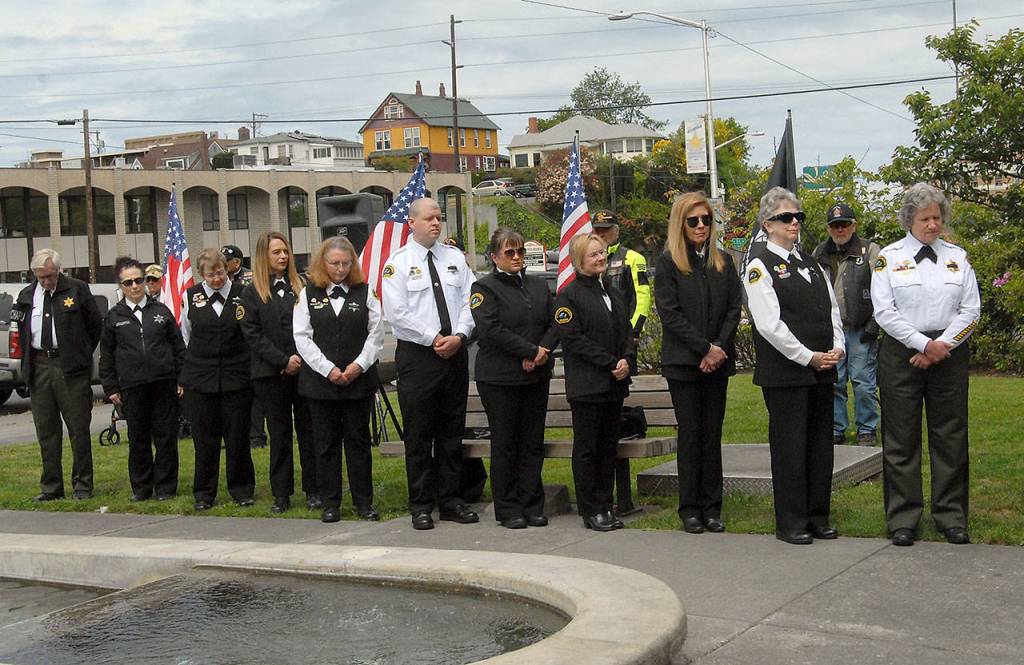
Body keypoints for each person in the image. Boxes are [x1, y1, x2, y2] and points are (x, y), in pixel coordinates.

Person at [871, 183, 980, 547]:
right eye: (925, 218)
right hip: (903, 352)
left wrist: (941, 346)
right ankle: (903, 518)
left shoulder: (958, 258)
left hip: (948, 353)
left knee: (950, 436)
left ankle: (951, 516)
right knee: (901, 438)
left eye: (937, 217)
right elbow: (884, 311)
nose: (933, 224)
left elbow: (971, 310)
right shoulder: (888, 258)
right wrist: (922, 344)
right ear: (909, 220)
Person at [744, 187, 845, 545]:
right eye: (786, 217)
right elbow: (769, 324)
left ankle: (819, 515)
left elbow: (831, 310)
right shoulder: (759, 266)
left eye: (798, 217)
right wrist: (808, 356)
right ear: (767, 224)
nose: (794, 223)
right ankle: (791, 521)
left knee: (820, 446)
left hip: (821, 369)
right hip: (787, 373)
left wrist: (837, 347)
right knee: (790, 448)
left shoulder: (811, 263)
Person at [381, 197, 478, 531]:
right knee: (420, 435)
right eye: (429, 218)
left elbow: (471, 300)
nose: (436, 223)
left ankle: (451, 500)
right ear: (412, 223)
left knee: (452, 432)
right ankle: (421, 504)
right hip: (419, 357)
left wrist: (461, 335)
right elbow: (396, 313)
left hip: (455, 353)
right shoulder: (397, 263)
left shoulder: (454, 258)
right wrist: (433, 338)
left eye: (439, 218)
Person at [655, 193, 742, 534]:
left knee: (712, 435)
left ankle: (712, 507)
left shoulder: (722, 262)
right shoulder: (668, 263)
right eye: (693, 221)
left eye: (706, 220)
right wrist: (703, 348)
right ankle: (690, 508)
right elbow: (670, 313)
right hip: (684, 365)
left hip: (717, 363)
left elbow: (734, 307)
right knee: (691, 435)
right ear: (681, 223)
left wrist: (718, 348)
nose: (701, 226)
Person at [470, 228, 558, 529]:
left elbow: (555, 320)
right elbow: (490, 330)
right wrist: (530, 350)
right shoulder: (484, 288)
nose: (518, 257)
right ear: (495, 257)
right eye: (510, 252)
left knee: (531, 442)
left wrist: (542, 350)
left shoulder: (538, 286)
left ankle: (533, 504)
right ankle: (508, 508)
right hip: (500, 378)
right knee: (506, 443)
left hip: (536, 375)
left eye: (521, 251)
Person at [293, 236, 384, 523]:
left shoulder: (365, 292)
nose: (341, 269)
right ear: (323, 263)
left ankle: (363, 502)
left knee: (358, 443)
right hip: (320, 384)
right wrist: (328, 369)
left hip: (357, 382)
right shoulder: (308, 295)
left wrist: (358, 365)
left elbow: (376, 334)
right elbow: (302, 337)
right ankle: (330, 503)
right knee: (326, 444)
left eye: (346, 263)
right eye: (334, 263)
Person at [555, 233, 634, 532]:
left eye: (602, 253)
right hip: (588, 386)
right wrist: (610, 362)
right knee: (588, 449)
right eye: (593, 255)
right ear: (578, 261)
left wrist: (626, 358)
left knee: (607, 448)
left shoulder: (612, 293)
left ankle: (607, 504)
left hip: (614, 386)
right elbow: (574, 340)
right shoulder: (569, 296)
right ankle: (591, 509)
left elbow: (625, 330)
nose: (600, 258)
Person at [13, 248, 102, 501]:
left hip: (70, 367)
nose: (46, 282)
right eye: (41, 277)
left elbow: (94, 325)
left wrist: (80, 353)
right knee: (46, 429)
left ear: (58, 271)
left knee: (78, 428)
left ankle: (82, 485)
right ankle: (51, 486)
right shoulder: (27, 294)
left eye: (50, 276)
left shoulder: (76, 289)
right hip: (40, 365)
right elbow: (21, 329)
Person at [239, 232, 317, 514]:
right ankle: (281, 493)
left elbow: (311, 327)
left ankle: (314, 490)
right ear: (264, 256)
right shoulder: (251, 293)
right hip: (270, 374)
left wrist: (301, 359)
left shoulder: (302, 286)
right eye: (276, 252)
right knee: (279, 432)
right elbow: (252, 334)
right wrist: (283, 361)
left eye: (285, 251)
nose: (283, 257)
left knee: (308, 431)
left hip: (305, 371)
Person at [99, 256, 185, 502]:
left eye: (139, 280)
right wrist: (111, 387)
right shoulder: (114, 316)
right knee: (138, 438)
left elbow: (178, 347)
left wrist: (181, 378)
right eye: (129, 283)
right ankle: (142, 487)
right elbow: (106, 355)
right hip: (132, 386)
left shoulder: (161, 311)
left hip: (164, 383)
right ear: (121, 286)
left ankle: (166, 487)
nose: (135, 286)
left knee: (166, 436)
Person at [180, 248, 256, 511]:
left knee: (237, 437)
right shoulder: (191, 297)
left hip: (236, 376)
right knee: (205, 439)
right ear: (201, 275)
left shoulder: (241, 294)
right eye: (211, 275)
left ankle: (242, 489)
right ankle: (204, 493)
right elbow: (186, 335)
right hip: (202, 378)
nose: (217, 279)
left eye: (221, 272)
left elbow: (249, 331)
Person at [592, 210, 652, 515]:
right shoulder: (588, 258)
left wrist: (632, 333)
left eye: (607, 230)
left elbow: (642, 296)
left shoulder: (632, 258)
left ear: (616, 231)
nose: (602, 235)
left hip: (624, 341)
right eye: (597, 230)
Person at [812, 203, 881, 446]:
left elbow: (883, 290)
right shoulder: (819, 252)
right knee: (835, 382)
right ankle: (836, 429)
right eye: (834, 225)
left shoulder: (870, 251)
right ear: (828, 228)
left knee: (863, 382)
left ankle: (867, 429)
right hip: (832, 332)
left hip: (861, 328)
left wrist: (874, 325)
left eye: (844, 224)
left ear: (854, 225)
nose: (839, 229)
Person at [223, 244, 266, 450]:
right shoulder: (222, 280)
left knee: (255, 392)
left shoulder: (248, 278)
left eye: (226, 261)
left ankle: (257, 435)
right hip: (231, 344)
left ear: (236, 263)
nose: (222, 264)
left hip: (250, 342)